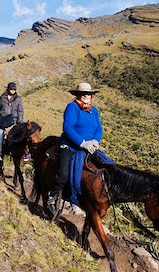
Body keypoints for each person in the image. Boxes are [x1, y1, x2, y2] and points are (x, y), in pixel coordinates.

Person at [47, 82, 113, 217]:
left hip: (90, 146)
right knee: (63, 173)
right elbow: (68, 128)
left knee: (107, 166)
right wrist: (82, 143)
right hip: (71, 145)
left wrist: (95, 140)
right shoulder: (72, 107)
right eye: (82, 94)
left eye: (88, 94)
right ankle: (52, 197)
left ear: (91, 96)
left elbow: (99, 129)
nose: (85, 96)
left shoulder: (94, 110)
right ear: (77, 95)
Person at [0, 82, 24, 162]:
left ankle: (23, 154)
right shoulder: (2, 98)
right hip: (3, 122)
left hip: (14, 122)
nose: (13, 90)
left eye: (14, 89)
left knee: (21, 136)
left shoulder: (18, 99)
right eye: (11, 89)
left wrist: (20, 120)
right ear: (8, 89)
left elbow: (20, 111)